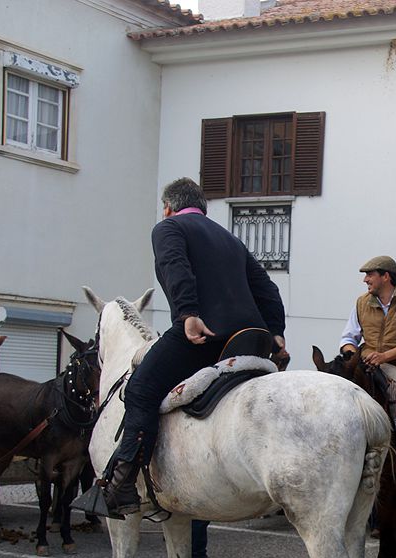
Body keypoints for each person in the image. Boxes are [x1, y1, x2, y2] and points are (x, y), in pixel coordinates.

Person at [95, 177, 287, 518]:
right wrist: (276, 330)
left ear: (168, 207)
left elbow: (175, 268)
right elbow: (267, 288)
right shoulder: (230, 239)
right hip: (251, 337)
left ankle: (123, 483)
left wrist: (187, 313)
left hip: (206, 336)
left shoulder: (168, 228)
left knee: (140, 388)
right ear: (203, 208)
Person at [339, 256, 396, 503]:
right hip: (367, 365)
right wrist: (351, 353)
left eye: (369, 275)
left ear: (386, 276)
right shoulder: (361, 302)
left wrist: (384, 356)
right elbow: (348, 338)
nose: (365, 280)